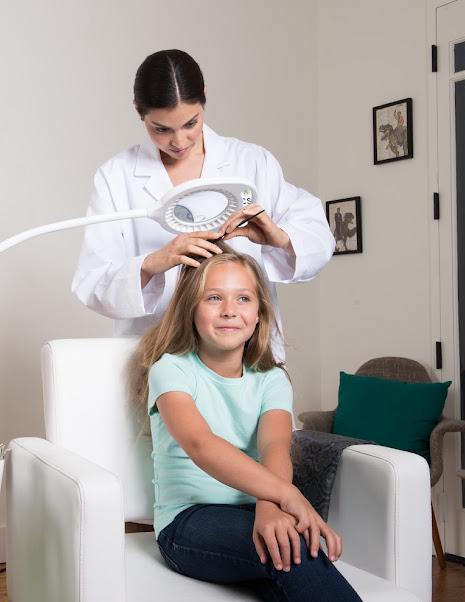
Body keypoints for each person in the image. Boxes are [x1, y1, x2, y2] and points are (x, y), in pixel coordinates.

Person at [128, 247, 362, 601]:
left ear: (259, 314)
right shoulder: (171, 370)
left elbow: (274, 447)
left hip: (255, 508)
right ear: (191, 309)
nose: (229, 310)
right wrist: (287, 495)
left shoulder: (272, 379)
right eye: (213, 298)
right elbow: (201, 445)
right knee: (294, 553)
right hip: (188, 521)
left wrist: (269, 505)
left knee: (288, 556)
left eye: (243, 298)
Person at [72, 49, 335, 361]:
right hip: (162, 358)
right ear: (138, 111)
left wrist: (279, 237)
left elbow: (318, 237)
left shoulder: (251, 162)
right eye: (161, 129)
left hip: (246, 358)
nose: (179, 141)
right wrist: (154, 262)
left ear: (204, 97)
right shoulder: (116, 177)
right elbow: (93, 283)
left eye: (190, 123)